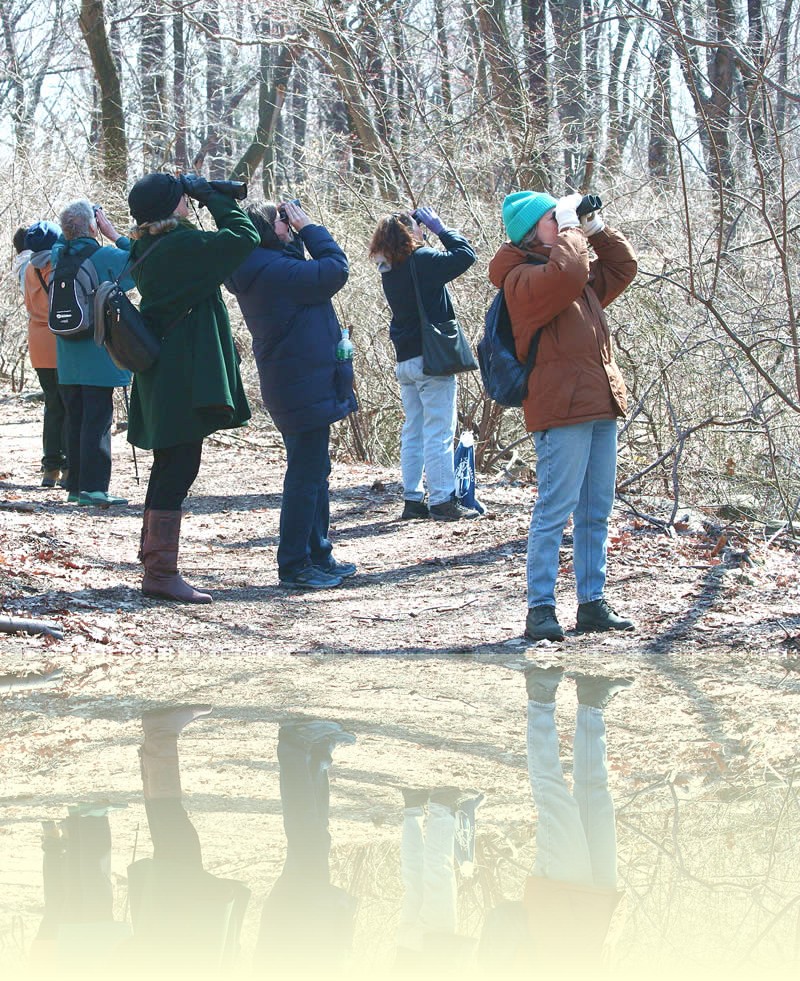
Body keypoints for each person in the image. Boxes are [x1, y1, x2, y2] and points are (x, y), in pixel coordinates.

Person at [488, 192, 638, 641]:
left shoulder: (570, 270)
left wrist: (594, 229)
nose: (566, 223)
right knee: (555, 509)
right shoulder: (521, 278)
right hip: (559, 409)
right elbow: (570, 272)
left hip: (598, 403)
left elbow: (623, 268)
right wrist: (573, 230)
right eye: (556, 218)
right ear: (535, 230)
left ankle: (592, 604)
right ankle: (541, 609)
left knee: (596, 512)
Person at [126, 173, 259, 604]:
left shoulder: (145, 246)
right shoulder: (182, 246)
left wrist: (196, 196)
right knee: (179, 468)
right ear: (172, 207)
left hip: (163, 370)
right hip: (182, 372)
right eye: (182, 200)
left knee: (169, 465)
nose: (188, 205)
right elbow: (243, 236)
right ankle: (161, 574)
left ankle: (154, 562)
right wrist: (211, 197)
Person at [226, 200, 357, 591]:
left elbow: (308, 274)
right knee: (305, 474)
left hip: (296, 380)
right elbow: (335, 269)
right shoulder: (275, 271)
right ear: (269, 230)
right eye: (283, 220)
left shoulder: (261, 265)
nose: (290, 223)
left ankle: (317, 553)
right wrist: (312, 229)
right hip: (301, 382)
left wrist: (294, 235)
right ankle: (295, 564)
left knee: (315, 470)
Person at [479, 666, 631, 974]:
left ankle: (540, 700)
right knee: (597, 796)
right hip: (599, 908)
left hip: (556, 903)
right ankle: (591, 702)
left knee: (555, 800)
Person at [368, 208, 478, 522]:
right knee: (439, 432)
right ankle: (443, 501)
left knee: (413, 432)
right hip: (432, 360)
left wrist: (422, 235)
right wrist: (440, 228)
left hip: (405, 362)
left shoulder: (388, 270)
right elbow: (465, 255)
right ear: (411, 233)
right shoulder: (423, 260)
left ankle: (413, 499)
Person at [51, 200, 133, 508]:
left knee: (75, 419)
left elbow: (63, 239)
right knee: (97, 422)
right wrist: (111, 232)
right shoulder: (105, 257)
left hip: (67, 359)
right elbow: (141, 262)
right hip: (98, 354)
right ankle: (95, 489)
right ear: (92, 226)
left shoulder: (59, 255)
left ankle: (75, 485)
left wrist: (73, 229)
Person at [22, 221, 69, 488]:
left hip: (37, 343)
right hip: (58, 340)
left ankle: (49, 468)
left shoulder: (29, 268)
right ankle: (68, 469)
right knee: (69, 406)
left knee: (52, 406)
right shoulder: (55, 266)